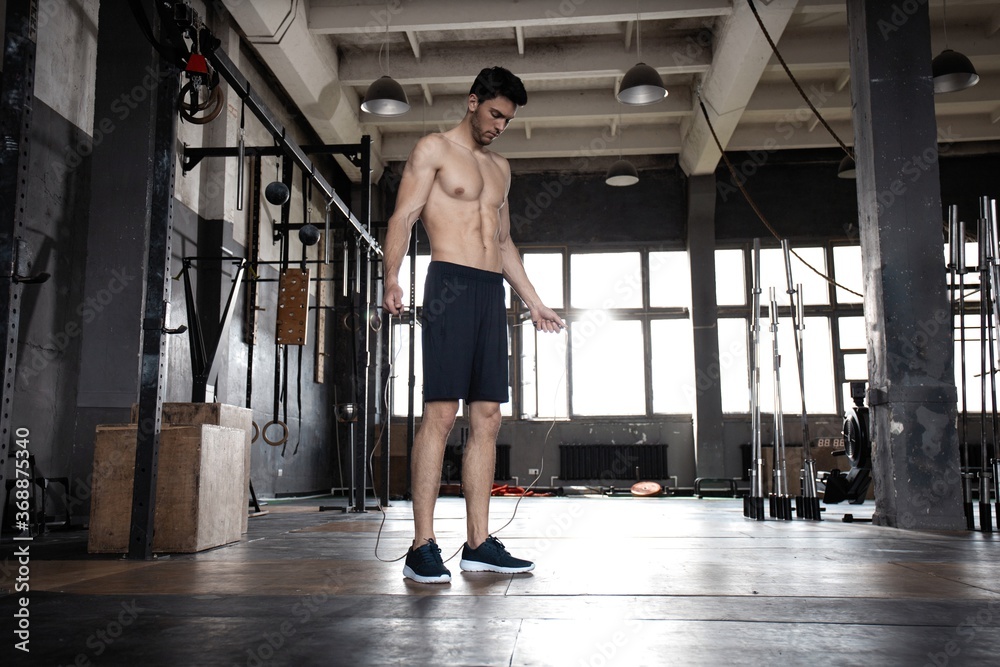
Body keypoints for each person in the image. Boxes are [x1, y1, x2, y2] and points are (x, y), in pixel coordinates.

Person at [382, 66, 564, 584]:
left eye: (507, 119)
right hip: (449, 286)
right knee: (441, 413)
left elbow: (504, 243)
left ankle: (479, 544)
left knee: (488, 417)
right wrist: (391, 278)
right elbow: (404, 217)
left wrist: (534, 302)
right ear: (472, 101)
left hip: (490, 292)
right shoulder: (433, 150)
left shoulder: (501, 169)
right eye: (494, 114)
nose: (499, 126)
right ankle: (422, 546)